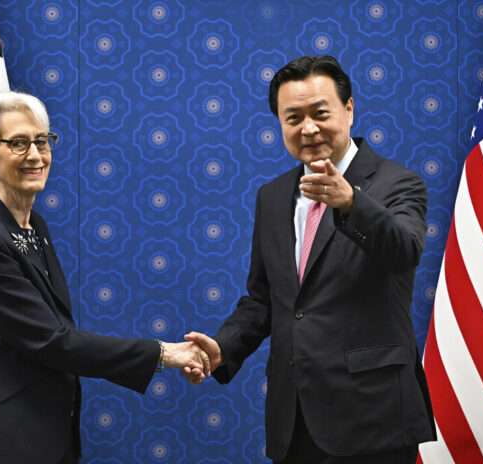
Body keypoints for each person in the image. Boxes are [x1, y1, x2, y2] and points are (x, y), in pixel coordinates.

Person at [183, 55, 436, 463]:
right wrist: (223, 347)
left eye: (320, 113)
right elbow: (265, 298)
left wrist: (352, 203)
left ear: (349, 109)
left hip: (374, 417)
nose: (309, 128)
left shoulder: (397, 182)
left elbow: (404, 250)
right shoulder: (273, 195)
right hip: (294, 418)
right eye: (293, 118)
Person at [0, 91, 209, 464]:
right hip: (6, 440)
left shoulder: (33, 225)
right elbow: (52, 341)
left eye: (42, 141)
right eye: (19, 143)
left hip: (47, 433)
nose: (36, 156)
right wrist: (165, 353)